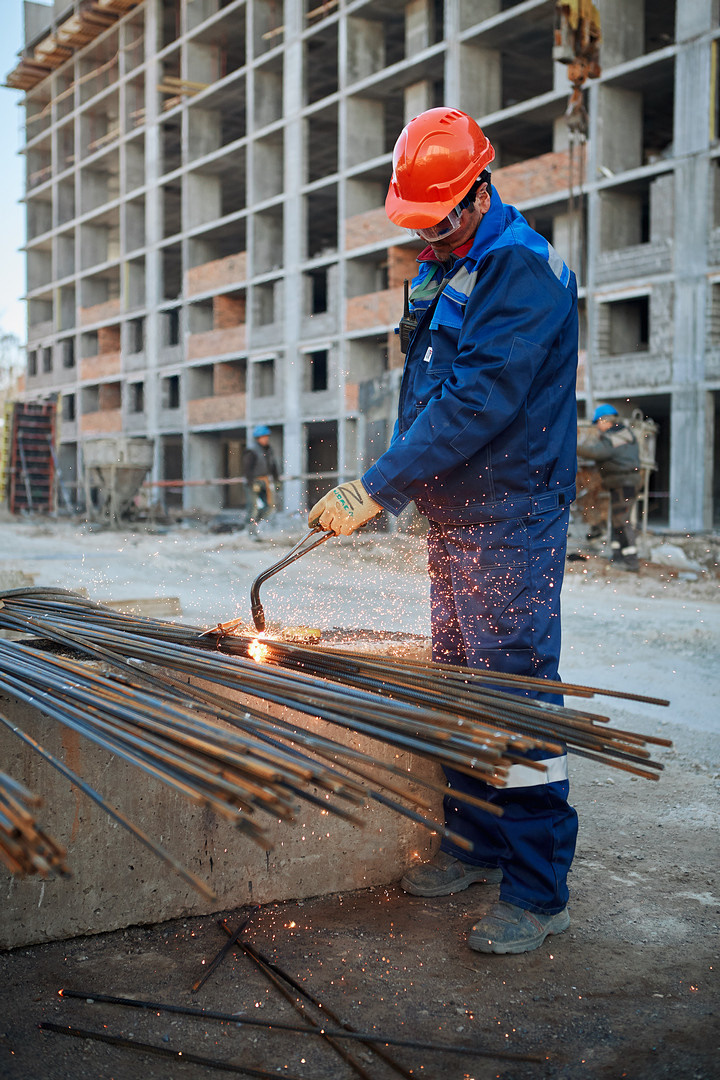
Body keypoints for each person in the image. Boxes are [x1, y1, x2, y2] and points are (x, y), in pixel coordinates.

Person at [309, 107, 580, 955]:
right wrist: (400, 483)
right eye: (416, 224)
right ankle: (474, 845)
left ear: (474, 192)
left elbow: (477, 401)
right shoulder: (447, 265)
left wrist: (377, 486)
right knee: (460, 680)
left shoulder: (520, 271)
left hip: (511, 511)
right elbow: (425, 393)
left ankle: (536, 890)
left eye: (434, 221)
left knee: (514, 690)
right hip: (460, 510)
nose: (424, 237)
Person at [577, 404, 642, 571]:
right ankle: (618, 555)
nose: (598, 427)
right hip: (622, 482)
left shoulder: (615, 435)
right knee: (616, 519)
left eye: (598, 422)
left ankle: (631, 561)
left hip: (624, 482)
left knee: (621, 519)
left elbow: (597, 453)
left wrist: (572, 447)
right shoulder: (623, 433)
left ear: (606, 420)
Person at [244, 425, 279, 529]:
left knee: (270, 506)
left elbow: (273, 466)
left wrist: (277, 480)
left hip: (265, 481)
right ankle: (250, 530)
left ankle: (254, 524)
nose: (266, 439)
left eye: (266, 436)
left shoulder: (268, 450)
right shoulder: (251, 450)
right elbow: (247, 469)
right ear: (258, 438)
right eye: (263, 437)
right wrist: (251, 483)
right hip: (253, 481)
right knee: (253, 507)